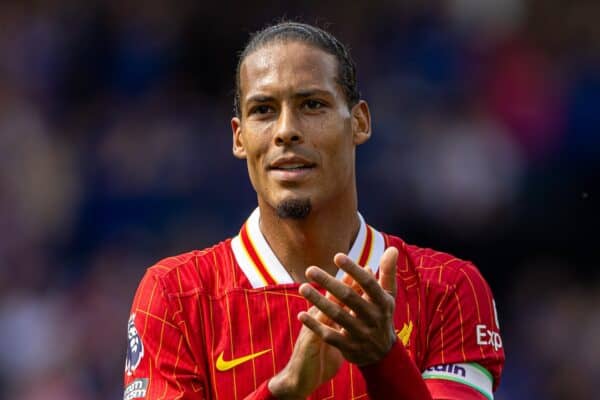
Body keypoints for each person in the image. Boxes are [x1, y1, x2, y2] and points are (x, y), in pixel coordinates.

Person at [123, 21, 504, 400]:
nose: (286, 130)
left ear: (359, 122)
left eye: (312, 105)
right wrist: (284, 391)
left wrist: (384, 360)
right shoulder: (177, 297)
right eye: (264, 110)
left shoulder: (448, 289)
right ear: (239, 138)